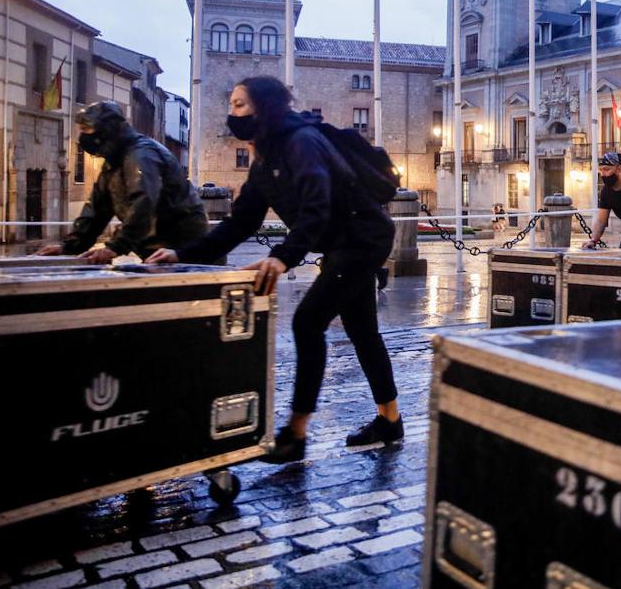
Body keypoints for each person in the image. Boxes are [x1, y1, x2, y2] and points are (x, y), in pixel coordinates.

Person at [146, 76, 402, 462]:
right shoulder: (266, 160)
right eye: (231, 105)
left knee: (308, 323)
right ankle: (390, 420)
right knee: (362, 331)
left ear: (263, 107)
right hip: (344, 242)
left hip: (362, 239)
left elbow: (318, 204)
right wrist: (180, 255)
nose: (232, 113)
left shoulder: (301, 142)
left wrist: (283, 256)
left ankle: (296, 434)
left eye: (239, 105)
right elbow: (240, 223)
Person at [35, 101, 209, 264]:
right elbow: (97, 208)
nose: (84, 137)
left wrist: (115, 247)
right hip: (156, 249)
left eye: (88, 130)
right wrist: (70, 246)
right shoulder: (114, 161)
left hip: (182, 248)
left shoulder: (141, 155)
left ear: (107, 131)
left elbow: (144, 202)